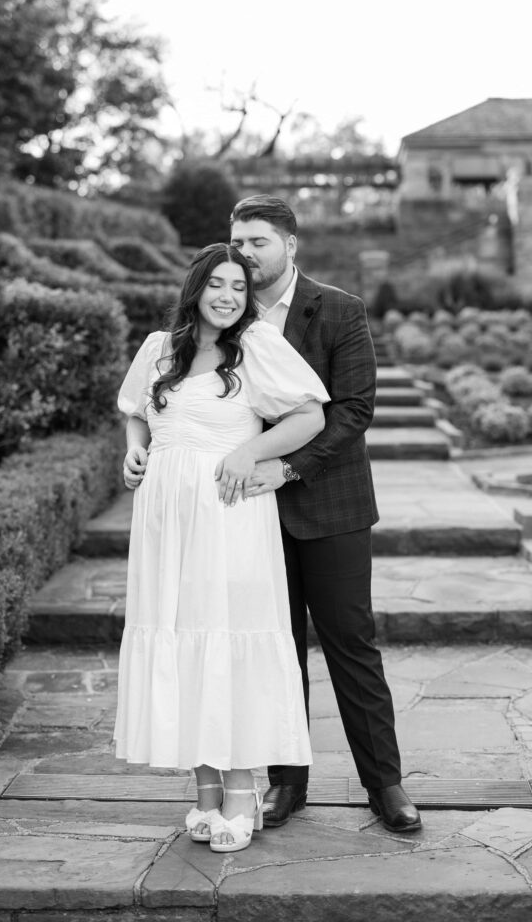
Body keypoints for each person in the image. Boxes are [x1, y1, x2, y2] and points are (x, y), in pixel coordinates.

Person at [115, 243, 329, 853]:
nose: (229, 296)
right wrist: (133, 450)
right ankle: (205, 791)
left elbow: (310, 417)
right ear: (197, 287)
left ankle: (241, 792)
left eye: (239, 285)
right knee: (183, 638)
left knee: (228, 635)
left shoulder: (257, 346)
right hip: (165, 522)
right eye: (218, 284)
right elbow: (137, 414)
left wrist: (248, 451)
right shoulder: (160, 347)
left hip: (229, 515)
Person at [229, 194, 422, 834]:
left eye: (259, 242)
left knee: (352, 647)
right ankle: (287, 784)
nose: (247, 254)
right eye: (239, 242)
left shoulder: (340, 308)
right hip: (249, 515)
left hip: (332, 505)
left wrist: (288, 468)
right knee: (276, 650)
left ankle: (385, 786)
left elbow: (355, 409)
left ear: (290, 244)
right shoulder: (222, 311)